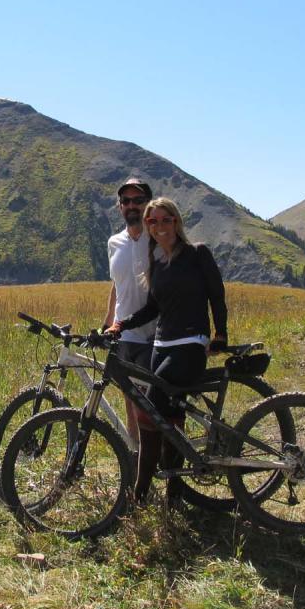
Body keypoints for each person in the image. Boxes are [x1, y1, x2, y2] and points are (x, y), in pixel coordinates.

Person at [108, 197, 228, 502]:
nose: (159, 226)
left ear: (176, 221)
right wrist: (121, 325)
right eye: (153, 221)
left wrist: (220, 333)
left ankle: (140, 495)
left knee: (150, 411)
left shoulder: (196, 253)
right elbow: (152, 309)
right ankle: (174, 491)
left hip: (190, 344)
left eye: (165, 220)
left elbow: (216, 294)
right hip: (161, 345)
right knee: (170, 416)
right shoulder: (156, 262)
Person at [103, 178, 155, 440]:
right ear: (119, 206)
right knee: (129, 394)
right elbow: (117, 284)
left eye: (138, 200)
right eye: (126, 201)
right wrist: (107, 321)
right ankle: (136, 453)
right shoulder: (114, 242)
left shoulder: (158, 237)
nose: (132, 206)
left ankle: (158, 458)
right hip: (125, 332)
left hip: (156, 331)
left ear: (148, 204)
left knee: (151, 401)